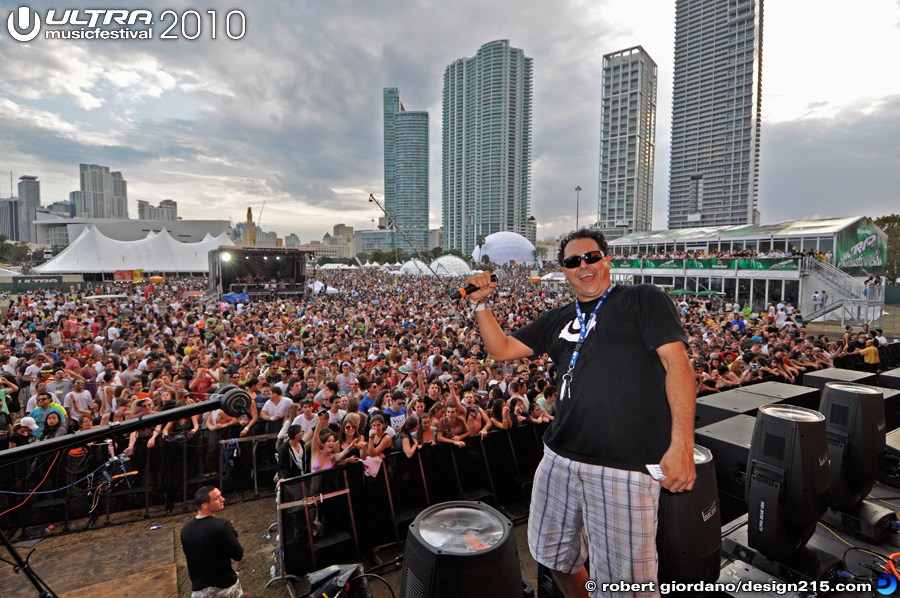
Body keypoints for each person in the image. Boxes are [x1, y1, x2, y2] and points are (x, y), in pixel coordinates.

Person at [463, 228, 696, 598]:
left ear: (607, 260)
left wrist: (682, 443)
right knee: (555, 559)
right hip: (559, 457)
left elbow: (679, 366)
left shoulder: (642, 298)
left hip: (625, 466)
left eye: (591, 257)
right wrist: (480, 304)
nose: (583, 265)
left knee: (627, 588)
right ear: (566, 271)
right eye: (573, 261)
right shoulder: (557, 318)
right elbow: (503, 349)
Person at [180, 486, 251, 598]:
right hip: (224, 588)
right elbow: (238, 555)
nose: (223, 499)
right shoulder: (223, 526)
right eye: (217, 498)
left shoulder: (185, 528)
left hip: (198, 592)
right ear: (205, 506)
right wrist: (231, 533)